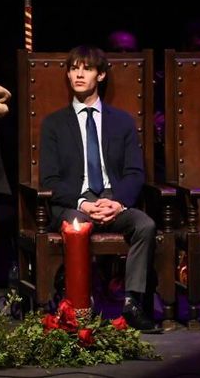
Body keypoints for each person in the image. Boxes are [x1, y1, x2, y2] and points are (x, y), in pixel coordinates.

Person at [38, 45, 160, 332]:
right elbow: (50, 181)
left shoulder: (122, 122)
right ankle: (78, 308)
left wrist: (117, 203)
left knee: (145, 225)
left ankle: (132, 303)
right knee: (77, 224)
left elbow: (134, 172)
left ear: (101, 75)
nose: (79, 74)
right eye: (73, 68)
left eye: (87, 68)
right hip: (74, 205)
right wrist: (83, 203)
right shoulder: (54, 124)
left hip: (111, 201)